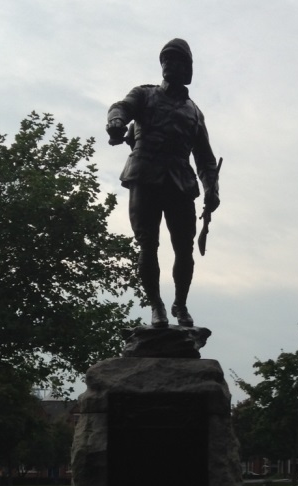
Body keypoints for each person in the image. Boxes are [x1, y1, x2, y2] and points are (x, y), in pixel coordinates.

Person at [106, 38, 220, 328]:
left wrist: (212, 190)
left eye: (175, 59)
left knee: (184, 248)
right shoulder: (144, 94)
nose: (168, 64)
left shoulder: (194, 113)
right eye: (165, 59)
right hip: (144, 173)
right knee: (148, 245)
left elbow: (205, 159)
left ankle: (180, 304)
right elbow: (121, 107)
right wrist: (117, 121)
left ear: (187, 69)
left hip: (180, 181)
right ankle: (156, 306)